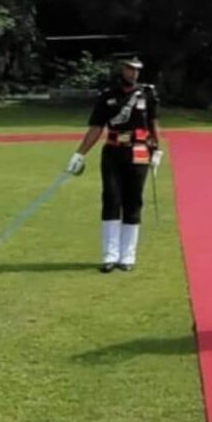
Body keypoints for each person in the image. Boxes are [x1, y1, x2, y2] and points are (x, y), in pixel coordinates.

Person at [65, 56, 162, 273]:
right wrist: (79, 154)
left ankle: (127, 256)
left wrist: (157, 149)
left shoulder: (147, 94)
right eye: (129, 69)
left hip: (138, 151)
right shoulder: (108, 95)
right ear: (122, 69)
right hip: (113, 151)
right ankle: (109, 254)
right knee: (111, 198)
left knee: (133, 201)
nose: (133, 73)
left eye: (137, 70)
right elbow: (96, 127)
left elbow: (153, 124)